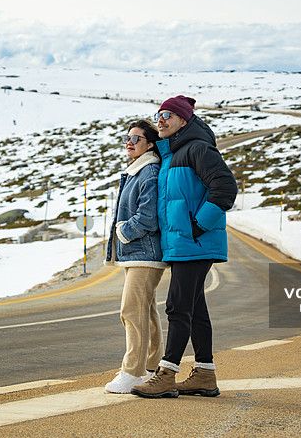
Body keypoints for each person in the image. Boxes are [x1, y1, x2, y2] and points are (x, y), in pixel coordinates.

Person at [131, 95, 238, 399]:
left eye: (168, 114)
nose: (161, 119)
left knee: (177, 307)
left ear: (184, 120)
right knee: (195, 309)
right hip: (183, 243)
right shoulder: (173, 153)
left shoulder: (197, 148)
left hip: (195, 242)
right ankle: (205, 373)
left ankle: (166, 374)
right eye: (159, 114)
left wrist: (198, 225)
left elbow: (226, 188)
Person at [103, 119, 167, 393]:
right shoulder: (138, 170)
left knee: (131, 310)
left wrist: (123, 231)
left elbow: (148, 217)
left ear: (150, 144)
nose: (129, 142)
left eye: (136, 138)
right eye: (127, 138)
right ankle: (152, 366)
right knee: (146, 310)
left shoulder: (148, 171)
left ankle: (132, 372)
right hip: (139, 253)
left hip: (145, 251)